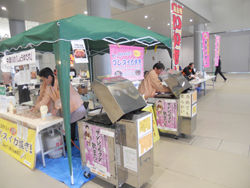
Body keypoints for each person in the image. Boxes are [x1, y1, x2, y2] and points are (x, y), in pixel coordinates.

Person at [33, 67, 86, 141]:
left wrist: (55, 109)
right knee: (70, 129)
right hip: (67, 110)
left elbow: (62, 98)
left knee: (80, 132)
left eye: (43, 79)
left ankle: (73, 144)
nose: (43, 82)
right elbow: (45, 99)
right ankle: (70, 142)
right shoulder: (49, 86)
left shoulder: (60, 82)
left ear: (49, 77)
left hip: (76, 107)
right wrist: (36, 107)